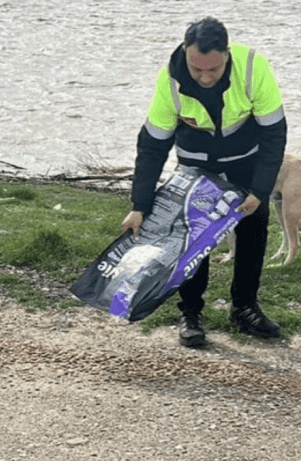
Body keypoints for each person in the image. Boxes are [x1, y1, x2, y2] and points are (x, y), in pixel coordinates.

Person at [120, 17, 287, 348]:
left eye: (214, 69)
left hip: (245, 158)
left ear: (226, 53)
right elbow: (153, 145)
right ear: (186, 52)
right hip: (196, 161)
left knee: (255, 225)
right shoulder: (169, 80)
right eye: (198, 70)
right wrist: (140, 205)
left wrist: (259, 190)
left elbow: (274, 132)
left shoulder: (254, 66)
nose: (206, 78)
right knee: (195, 233)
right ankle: (191, 313)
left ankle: (244, 309)